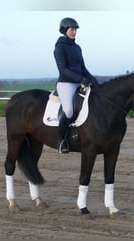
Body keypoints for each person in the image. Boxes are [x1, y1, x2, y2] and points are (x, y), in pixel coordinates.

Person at [54, 17, 98, 154]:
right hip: (66, 84)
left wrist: (93, 80)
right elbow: (63, 69)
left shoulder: (77, 48)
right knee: (68, 110)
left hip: (79, 82)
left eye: (75, 29)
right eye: (71, 29)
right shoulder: (59, 47)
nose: (74, 32)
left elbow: (83, 68)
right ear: (65, 30)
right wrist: (81, 79)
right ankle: (61, 141)